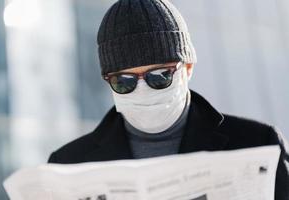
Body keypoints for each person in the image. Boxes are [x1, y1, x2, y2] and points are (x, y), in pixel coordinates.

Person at [48, 0, 289, 198]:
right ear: (108, 80)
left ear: (188, 68)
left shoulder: (258, 144)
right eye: (125, 81)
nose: (142, 89)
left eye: (160, 76)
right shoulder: (67, 165)